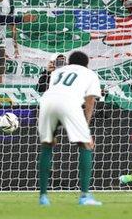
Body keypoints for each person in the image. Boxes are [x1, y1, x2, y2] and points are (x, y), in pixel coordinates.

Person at [37, 51, 102, 206]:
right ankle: (85, 196)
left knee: (47, 145)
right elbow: (90, 101)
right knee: (85, 145)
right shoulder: (89, 73)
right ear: (86, 64)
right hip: (69, 103)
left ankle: (43, 197)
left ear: (69, 63)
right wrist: (86, 127)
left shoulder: (58, 72)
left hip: (46, 102)